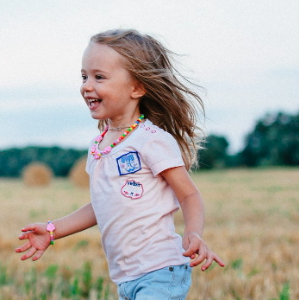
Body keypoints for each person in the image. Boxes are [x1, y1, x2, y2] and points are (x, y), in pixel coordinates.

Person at [15, 29, 224, 300]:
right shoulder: (99, 147)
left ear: (136, 87)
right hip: (126, 278)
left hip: (161, 271)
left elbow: (188, 194)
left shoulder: (151, 140)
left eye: (99, 77)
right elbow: (101, 204)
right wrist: (54, 230)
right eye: (84, 76)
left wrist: (193, 232)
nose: (87, 85)